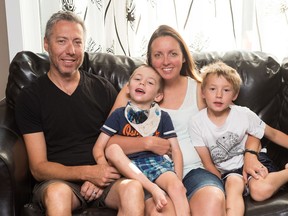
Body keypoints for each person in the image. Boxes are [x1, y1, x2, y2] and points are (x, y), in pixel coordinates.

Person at [14, 11, 177, 216]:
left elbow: (114, 142)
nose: (71, 50)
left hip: (105, 178)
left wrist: (104, 174)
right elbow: (38, 167)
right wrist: (88, 173)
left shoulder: (103, 89)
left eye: (77, 42)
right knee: (57, 194)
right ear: (46, 44)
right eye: (62, 41)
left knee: (132, 188)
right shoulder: (30, 97)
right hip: (60, 182)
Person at [109, 24, 268, 216]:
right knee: (162, 212)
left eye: (173, 54)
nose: (166, 61)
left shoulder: (201, 89)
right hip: (150, 174)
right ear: (150, 59)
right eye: (158, 55)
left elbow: (247, 124)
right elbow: (108, 142)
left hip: (195, 171)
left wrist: (250, 154)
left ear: (184, 56)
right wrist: (147, 143)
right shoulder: (134, 91)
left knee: (212, 200)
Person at [190, 61, 288, 216]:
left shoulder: (243, 114)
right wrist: (220, 184)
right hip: (228, 173)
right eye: (212, 89)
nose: (219, 95)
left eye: (226, 90)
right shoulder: (196, 123)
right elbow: (208, 164)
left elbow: (273, 134)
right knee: (233, 185)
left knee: (258, 191)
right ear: (203, 92)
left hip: (254, 161)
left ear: (235, 95)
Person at [93, 64, 190, 215]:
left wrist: (177, 180)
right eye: (137, 79)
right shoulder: (119, 115)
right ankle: (153, 189)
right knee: (112, 149)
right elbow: (99, 147)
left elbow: (175, 150)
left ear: (158, 96)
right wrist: (103, 168)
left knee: (177, 188)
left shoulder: (162, 117)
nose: (142, 83)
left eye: (150, 82)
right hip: (128, 167)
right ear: (128, 87)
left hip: (156, 163)